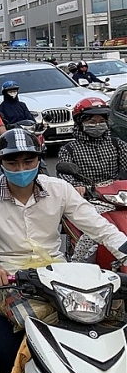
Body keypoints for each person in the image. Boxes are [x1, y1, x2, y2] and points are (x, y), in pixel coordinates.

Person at [0, 128, 127, 373]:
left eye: (29, 162)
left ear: (40, 160)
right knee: (5, 350)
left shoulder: (59, 190)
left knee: (104, 331)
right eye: (13, 163)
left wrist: (125, 250)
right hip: (11, 278)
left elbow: (98, 226)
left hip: (59, 276)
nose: (21, 169)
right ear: (1, 163)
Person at [57, 97, 127, 262]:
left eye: (101, 121)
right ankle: (79, 266)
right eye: (92, 121)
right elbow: (64, 174)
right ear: (81, 123)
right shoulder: (69, 149)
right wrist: (76, 186)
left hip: (120, 196)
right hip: (91, 199)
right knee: (93, 232)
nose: (97, 125)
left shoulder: (117, 144)